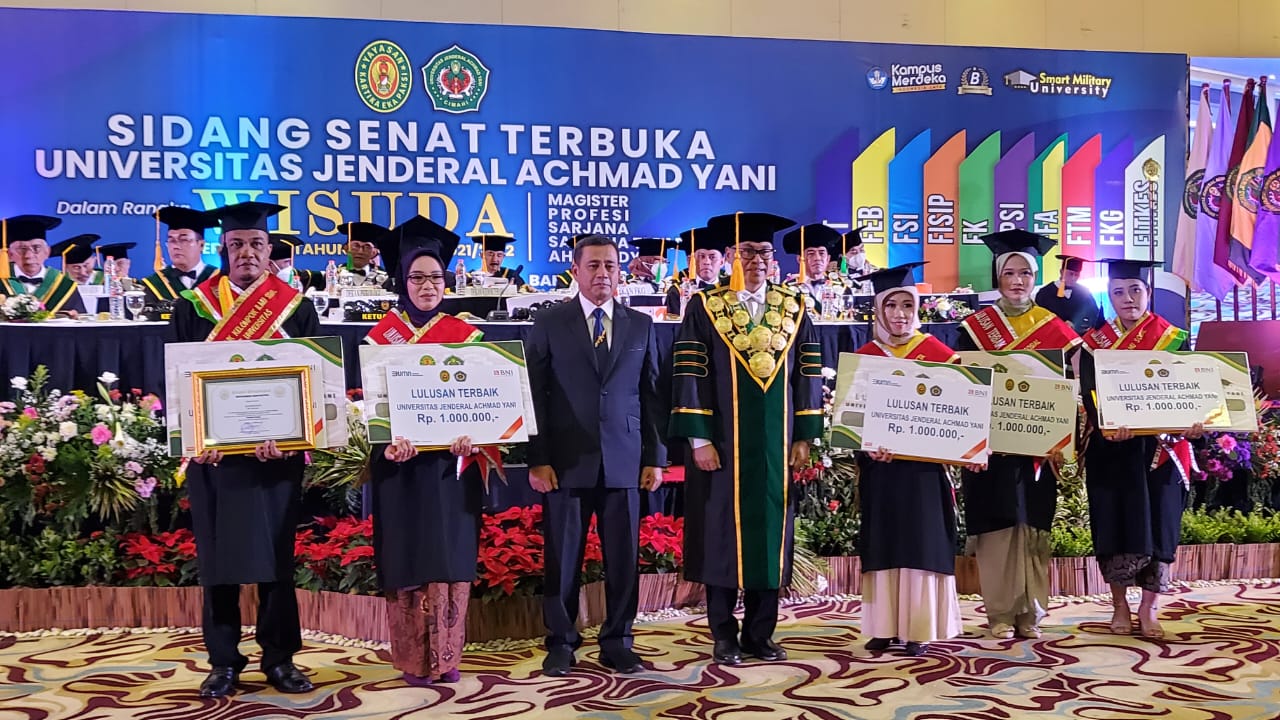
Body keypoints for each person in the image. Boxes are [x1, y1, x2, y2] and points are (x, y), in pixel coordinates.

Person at [168, 201, 319, 698]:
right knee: (218, 560)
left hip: (275, 458)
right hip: (216, 462)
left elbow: (314, 383)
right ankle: (224, 661)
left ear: (269, 249)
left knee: (277, 557)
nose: (247, 253)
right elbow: (176, 381)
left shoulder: (296, 308)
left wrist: (296, 438)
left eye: (256, 244)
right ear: (224, 249)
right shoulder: (193, 307)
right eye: (237, 245)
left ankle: (280, 659)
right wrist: (194, 439)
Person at [670, 211, 824, 665]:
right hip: (723, 446)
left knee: (771, 538)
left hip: (776, 449)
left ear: (774, 259)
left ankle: (761, 632)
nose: (755, 260)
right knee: (721, 536)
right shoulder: (705, 308)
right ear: (729, 258)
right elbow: (688, 375)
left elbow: (808, 374)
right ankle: (722, 633)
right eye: (745, 252)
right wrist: (698, 440)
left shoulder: (794, 309)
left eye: (762, 252)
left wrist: (805, 435)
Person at [525, 233, 667, 676]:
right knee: (562, 557)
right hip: (565, 462)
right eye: (593, 266)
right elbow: (534, 394)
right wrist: (537, 457)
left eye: (610, 265)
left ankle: (619, 641)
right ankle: (562, 642)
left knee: (623, 559)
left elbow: (652, 396)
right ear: (575, 271)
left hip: (625, 460)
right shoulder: (550, 322)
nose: (602, 273)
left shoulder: (640, 325)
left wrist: (655, 458)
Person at [364, 215, 487, 685]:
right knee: (406, 557)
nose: (427, 285)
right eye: (417, 277)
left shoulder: (468, 338)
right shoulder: (379, 339)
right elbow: (371, 411)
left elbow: (484, 406)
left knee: (449, 558)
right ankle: (414, 660)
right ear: (403, 281)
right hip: (402, 469)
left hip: (450, 471)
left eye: (435, 276)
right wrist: (386, 447)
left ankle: (448, 658)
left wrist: (471, 437)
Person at [956, 229, 1081, 640]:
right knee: (997, 525)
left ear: (1034, 278)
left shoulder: (1056, 330)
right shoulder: (974, 329)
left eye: (1025, 273)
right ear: (998, 277)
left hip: (1035, 447)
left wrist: (1062, 436)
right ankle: (999, 612)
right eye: (1008, 272)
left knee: (1033, 524)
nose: (1017, 281)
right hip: (991, 449)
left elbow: (1070, 387)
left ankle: (1032, 611)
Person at [1081, 258, 1201, 640]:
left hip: (1161, 450)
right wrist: (1107, 423)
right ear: (1109, 296)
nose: (1127, 298)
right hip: (1114, 447)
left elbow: (1191, 391)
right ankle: (1119, 606)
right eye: (1118, 291)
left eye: (1135, 290)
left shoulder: (1174, 339)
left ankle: (1149, 608)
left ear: (1148, 292)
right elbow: (1089, 393)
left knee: (1160, 524)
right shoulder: (1094, 344)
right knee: (1114, 523)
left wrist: (1196, 422)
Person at [853, 261, 963, 657]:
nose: (900, 315)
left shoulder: (938, 354)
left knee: (921, 541)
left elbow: (959, 414)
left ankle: (919, 627)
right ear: (878, 310)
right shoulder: (865, 356)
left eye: (907, 306)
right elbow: (853, 417)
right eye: (891, 306)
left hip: (924, 469)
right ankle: (884, 626)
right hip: (882, 469)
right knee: (884, 540)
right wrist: (867, 445)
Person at [0, 215, 86, 313]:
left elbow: (79, 323)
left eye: (36, 248)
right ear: (10, 255)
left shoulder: (64, 285)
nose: (29, 255)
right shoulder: (2, 282)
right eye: (21, 249)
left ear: (47, 252)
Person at [140, 207, 219, 303]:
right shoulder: (153, 284)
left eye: (184, 240)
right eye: (171, 240)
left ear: (201, 245)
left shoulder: (219, 280)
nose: (175, 246)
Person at [781, 223, 845, 313]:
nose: (817, 258)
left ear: (828, 259)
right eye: (811, 253)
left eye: (822, 253)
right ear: (800, 259)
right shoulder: (789, 288)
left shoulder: (841, 286)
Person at [1035, 255, 1101, 335]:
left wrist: (1076, 325)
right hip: (1052, 339)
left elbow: (1095, 317)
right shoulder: (1044, 293)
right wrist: (1061, 326)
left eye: (1077, 275)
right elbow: (1038, 320)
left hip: (1078, 339)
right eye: (1070, 274)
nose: (1073, 278)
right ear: (1061, 272)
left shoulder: (1084, 293)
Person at [337, 221, 391, 288]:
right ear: (346, 249)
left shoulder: (385, 279)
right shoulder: (333, 275)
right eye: (355, 246)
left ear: (374, 253)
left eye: (367, 247)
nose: (360, 251)